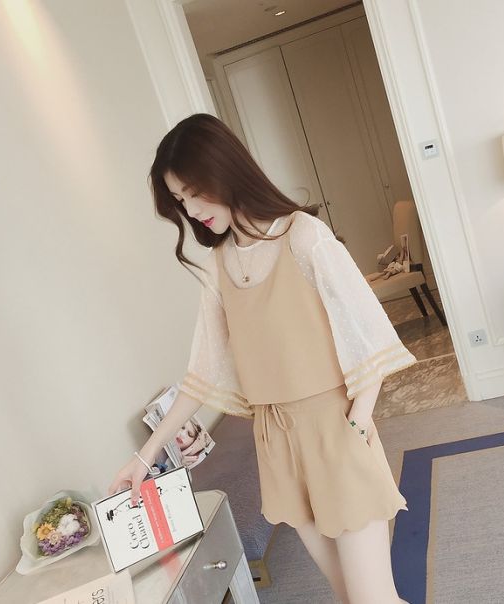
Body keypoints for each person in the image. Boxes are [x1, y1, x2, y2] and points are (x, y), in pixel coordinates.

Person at [109, 113, 417, 604]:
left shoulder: (303, 235)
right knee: (347, 596)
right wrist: (143, 458)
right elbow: (202, 372)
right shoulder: (220, 263)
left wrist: (358, 422)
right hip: (276, 439)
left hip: (334, 429)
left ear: (224, 170)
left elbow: (366, 329)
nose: (191, 209)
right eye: (180, 200)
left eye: (194, 192)